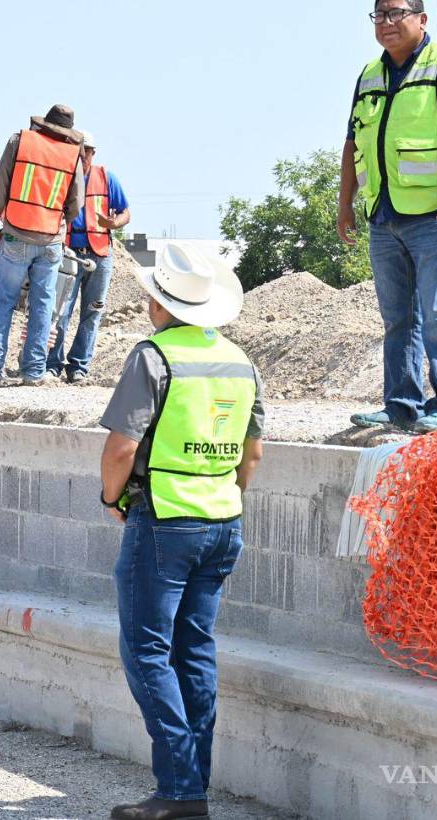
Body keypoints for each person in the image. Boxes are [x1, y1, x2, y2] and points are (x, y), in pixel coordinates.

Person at [98, 244, 264, 820]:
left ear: (160, 302)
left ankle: (180, 788)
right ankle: (193, 786)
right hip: (222, 520)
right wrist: (225, 494)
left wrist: (111, 496)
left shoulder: (152, 357)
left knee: (145, 649)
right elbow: (253, 453)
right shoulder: (241, 361)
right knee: (194, 652)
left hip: (165, 518)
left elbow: (121, 447)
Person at [336, 0, 437, 434]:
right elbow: (351, 143)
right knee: (397, 316)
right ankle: (401, 404)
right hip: (384, 215)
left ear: (421, 19)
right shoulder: (369, 75)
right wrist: (346, 204)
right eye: (378, 15)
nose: (386, 23)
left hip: (434, 215)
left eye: (396, 13)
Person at [0, 104, 85, 386]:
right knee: (43, 304)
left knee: (3, 301)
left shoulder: (20, 141)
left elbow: (0, 185)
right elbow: (76, 203)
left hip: (16, 234)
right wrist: (58, 223)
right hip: (50, 241)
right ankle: (34, 372)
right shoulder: (73, 157)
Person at [46, 130, 131, 383]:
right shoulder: (61, 178)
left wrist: (114, 223)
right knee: (60, 310)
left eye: (87, 153)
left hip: (100, 252)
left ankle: (79, 367)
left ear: (93, 154)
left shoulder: (106, 178)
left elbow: (125, 211)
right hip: (69, 253)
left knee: (92, 313)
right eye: (79, 153)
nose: (83, 158)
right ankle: (52, 363)